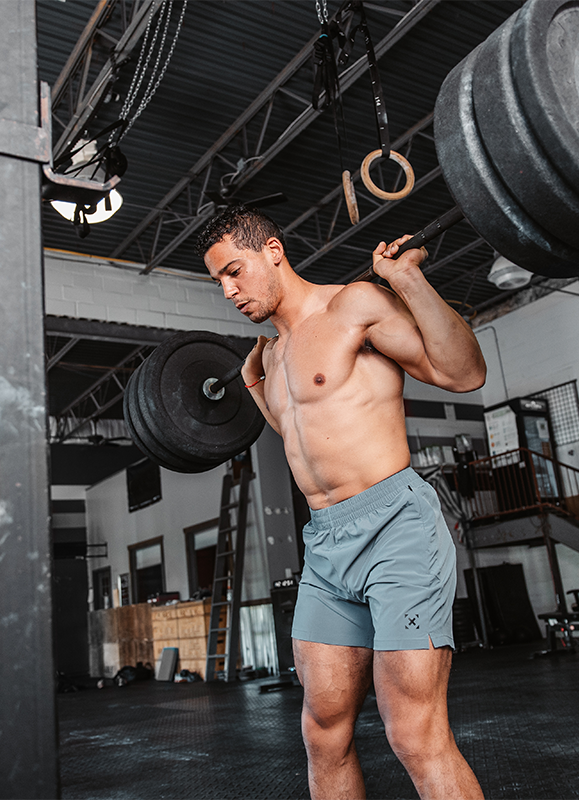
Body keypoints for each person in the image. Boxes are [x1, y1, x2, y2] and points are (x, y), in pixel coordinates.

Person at [197, 205, 486, 800]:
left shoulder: (354, 305)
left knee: (413, 732)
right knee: (323, 733)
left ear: (272, 252)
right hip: (326, 545)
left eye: (234, 271)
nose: (228, 290)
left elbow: (464, 374)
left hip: (395, 525)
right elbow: (304, 440)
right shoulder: (272, 358)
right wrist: (253, 386)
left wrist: (407, 281)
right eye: (218, 281)